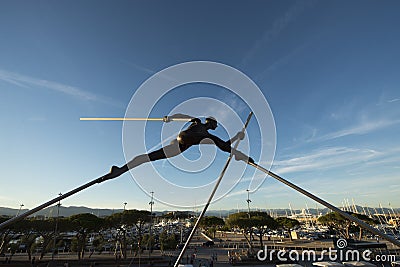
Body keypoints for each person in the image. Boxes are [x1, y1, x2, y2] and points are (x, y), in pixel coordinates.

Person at [104, 114, 254, 180]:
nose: (215, 126)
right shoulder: (198, 124)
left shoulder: (206, 134)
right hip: (181, 140)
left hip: (177, 147)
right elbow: (183, 116)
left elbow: (225, 145)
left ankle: (120, 171)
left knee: (146, 157)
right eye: (215, 124)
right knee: (145, 157)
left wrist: (236, 137)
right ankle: (121, 170)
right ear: (210, 122)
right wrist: (169, 118)